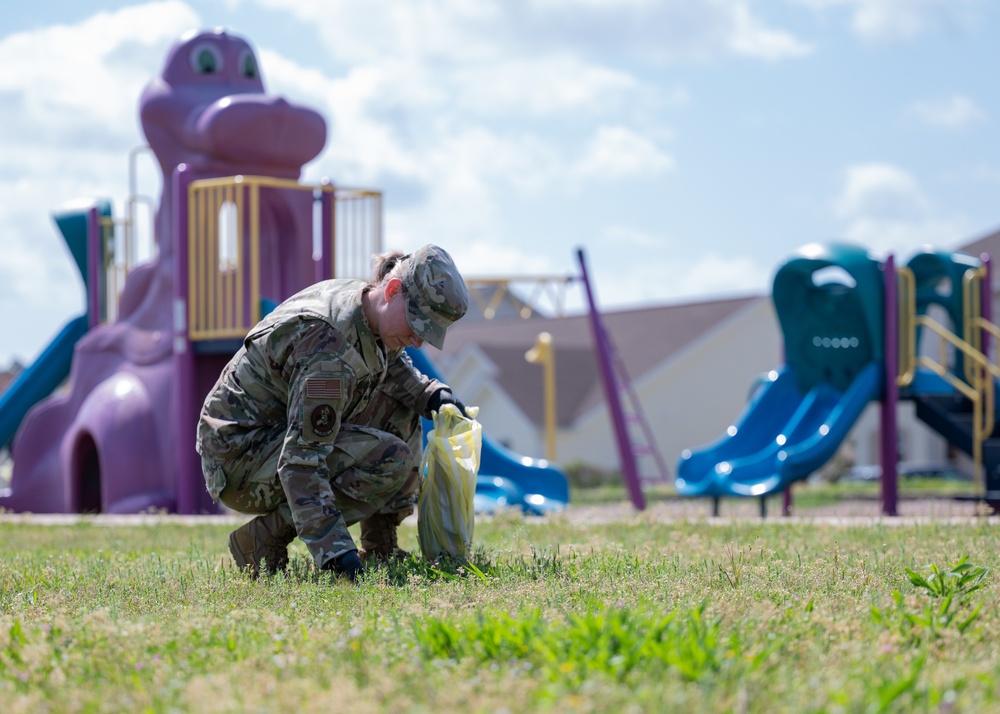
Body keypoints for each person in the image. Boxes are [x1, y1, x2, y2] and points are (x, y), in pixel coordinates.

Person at [196, 244, 469, 581]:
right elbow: (301, 460)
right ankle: (264, 539)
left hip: (270, 438)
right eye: (415, 324)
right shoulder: (328, 353)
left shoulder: (367, 305)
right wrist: (336, 553)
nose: (416, 341)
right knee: (390, 458)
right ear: (393, 290)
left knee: (403, 404)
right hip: (239, 458)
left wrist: (430, 394)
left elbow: (391, 366)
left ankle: (380, 543)